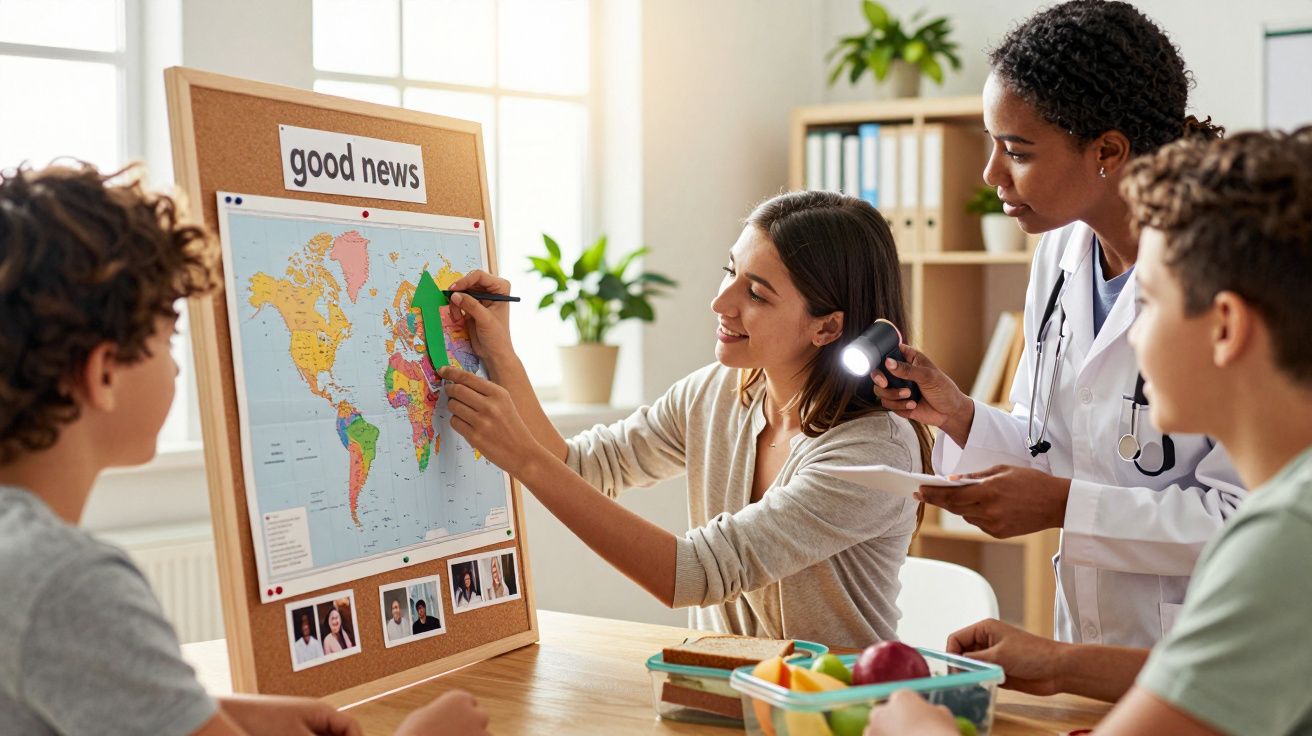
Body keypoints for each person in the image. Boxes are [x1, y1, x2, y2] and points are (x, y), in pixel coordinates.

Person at [0, 161, 489, 736]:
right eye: (167, 337)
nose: (178, 364)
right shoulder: (70, 585)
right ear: (104, 373)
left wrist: (216, 714)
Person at [865, 128, 1312, 736]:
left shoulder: (1285, 537)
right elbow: (1233, 673)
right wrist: (1059, 664)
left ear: (1226, 327)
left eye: (1148, 302)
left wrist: (917, 728)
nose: (1124, 341)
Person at [870, 0, 1242, 648]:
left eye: (1016, 151)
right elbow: (1059, 448)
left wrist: (1063, 506)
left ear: (1108, 151)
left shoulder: (1226, 274)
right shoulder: (1060, 255)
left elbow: (1245, 521)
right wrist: (957, 414)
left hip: (1206, 655)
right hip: (1087, 646)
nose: (991, 176)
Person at [436, 189, 930, 647]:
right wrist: (501, 356)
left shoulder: (874, 452)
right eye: (729, 271)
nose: (720, 303)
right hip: (719, 694)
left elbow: (693, 573)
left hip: (832, 709)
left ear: (826, 326)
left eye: (756, 294)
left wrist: (523, 458)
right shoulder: (714, 394)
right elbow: (584, 468)